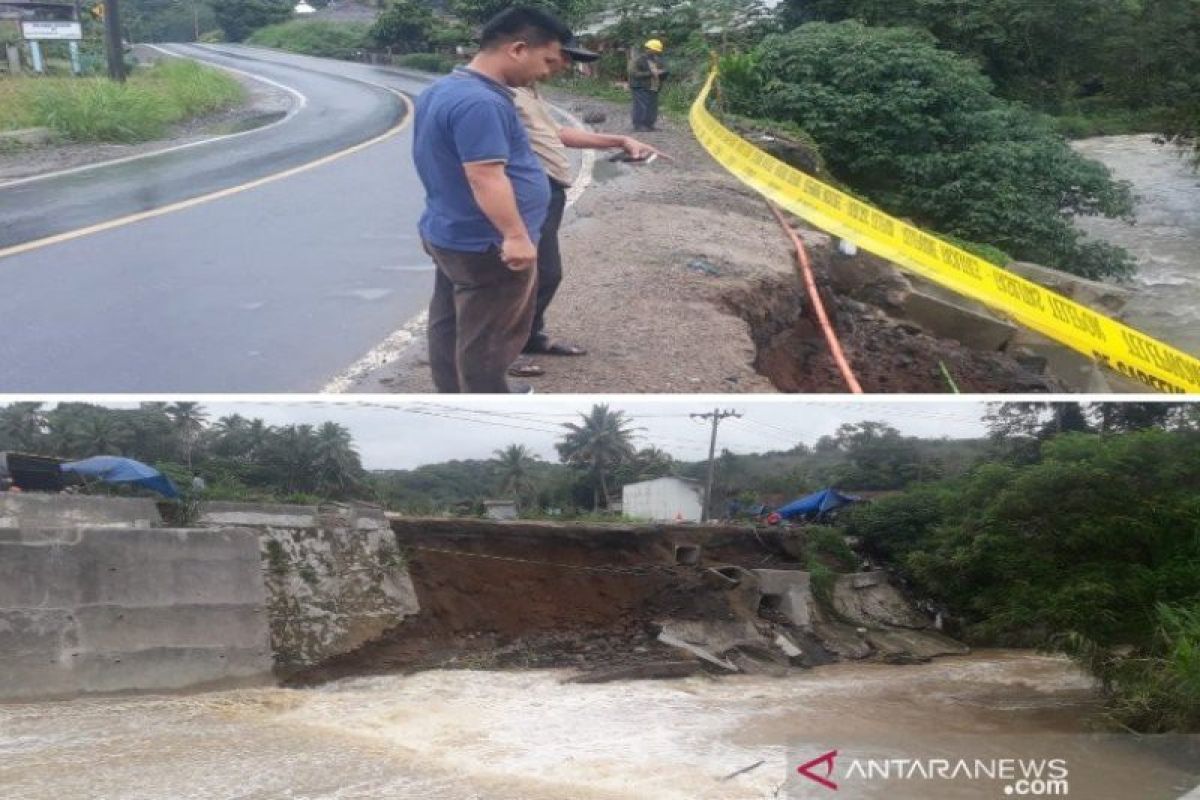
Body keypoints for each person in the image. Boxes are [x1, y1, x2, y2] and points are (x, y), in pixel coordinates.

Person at [412, 6, 573, 393]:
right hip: (488, 244)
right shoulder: (481, 102)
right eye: (547, 59)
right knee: (489, 336)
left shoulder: (443, 88)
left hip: (452, 230)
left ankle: (454, 393)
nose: (548, 71)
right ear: (518, 49)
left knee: (450, 321)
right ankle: (486, 396)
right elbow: (484, 175)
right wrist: (516, 235)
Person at [508, 41, 660, 377]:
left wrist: (618, 140)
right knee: (520, 277)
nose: (563, 66)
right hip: (527, 194)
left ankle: (529, 336)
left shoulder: (528, 90)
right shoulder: (499, 94)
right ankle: (502, 350)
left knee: (546, 273)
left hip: (550, 191)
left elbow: (557, 132)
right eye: (560, 58)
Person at [629, 39, 668, 132]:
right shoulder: (638, 60)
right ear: (648, 49)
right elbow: (634, 74)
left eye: (657, 51)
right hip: (640, 87)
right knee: (641, 106)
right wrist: (651, 73)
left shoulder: (656, 60)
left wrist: (663, 73)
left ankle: (649, 125)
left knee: (652, 107)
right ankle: (639, 125)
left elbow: (662, 70)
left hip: (653, 87)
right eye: (655, 50)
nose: (656, 52)